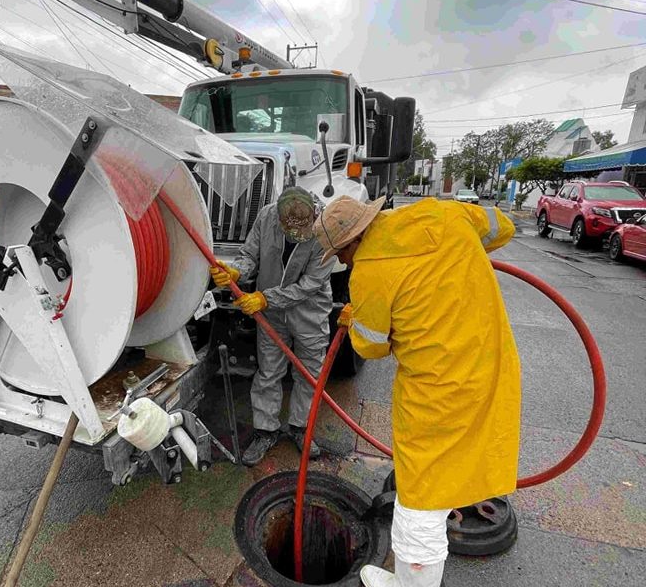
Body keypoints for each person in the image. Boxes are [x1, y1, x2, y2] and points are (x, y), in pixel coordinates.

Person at [314, 195, 520, 587]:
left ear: (355, 239)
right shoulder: (442, 213)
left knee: (420, 499)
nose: (342, 261)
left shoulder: (369, 274)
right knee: (463, 461)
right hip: (491, 364)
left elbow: (371, 347)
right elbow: (502, 228)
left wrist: (356, 318)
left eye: (340, 253)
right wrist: (455, 261)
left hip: (437, 389)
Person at [210, 187, 335, 466]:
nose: (296, 235)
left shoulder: (326, 230)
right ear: (278, 218)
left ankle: (301, 428)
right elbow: (249, 254)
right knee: (268, 371)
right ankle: (266, 431)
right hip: (271, 313)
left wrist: (266, 298)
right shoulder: (266, 217)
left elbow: (309, 285)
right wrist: (237, 272)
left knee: (309, 374)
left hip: (309, 314)